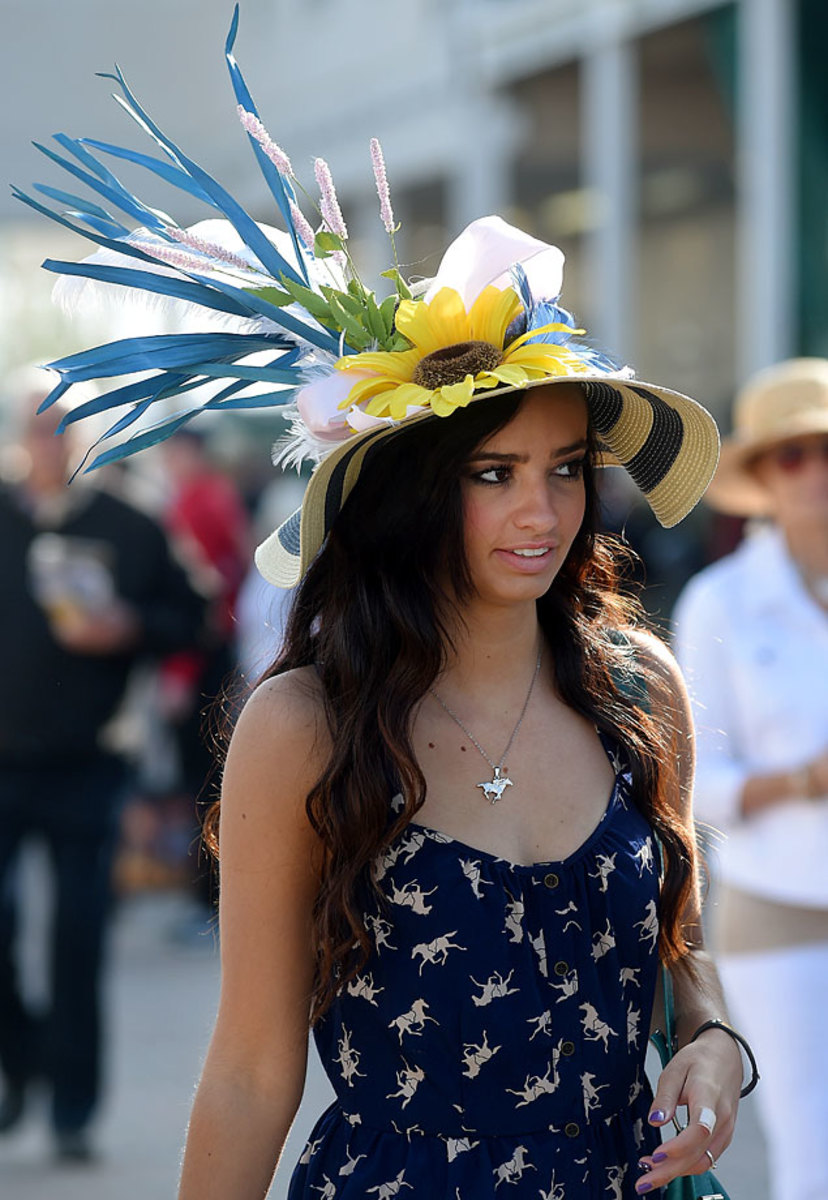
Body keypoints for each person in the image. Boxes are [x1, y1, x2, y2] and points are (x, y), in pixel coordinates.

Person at [15, 18, 753, 1193]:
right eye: (493, 473)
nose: (542, 513)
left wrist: (717, 1047)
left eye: (565, 468)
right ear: (413, 492)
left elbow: (684, 955)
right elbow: (254, 1069)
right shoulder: (306, 726)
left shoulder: (638, 691)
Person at [0, 389, 207, 1160]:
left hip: (90, 762)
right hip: (2, 759)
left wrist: (131, 627)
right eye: (36, 427)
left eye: (62, 428)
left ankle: (72, 1109)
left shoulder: (130, 522)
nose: (48, 443)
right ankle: (22, 1062)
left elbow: (194, 615)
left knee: (78, 934)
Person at [673, 357, 828, 1200]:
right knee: (814, 1156)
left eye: (827, 449)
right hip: (780, 907)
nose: (815, 471)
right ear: (764, 473)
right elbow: (697, 790)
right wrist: (808, 778)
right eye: (793, 454)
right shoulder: (718, 602)